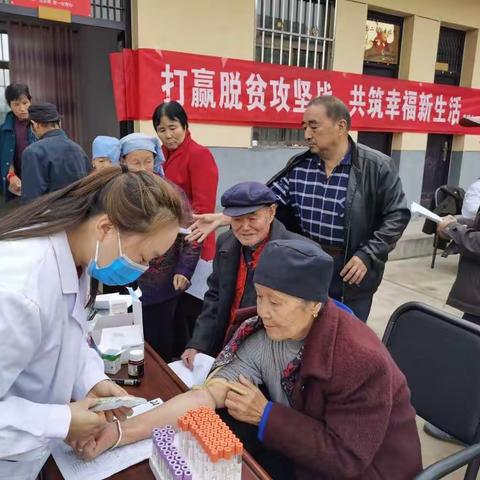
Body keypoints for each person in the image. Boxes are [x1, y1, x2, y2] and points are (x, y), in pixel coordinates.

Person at [77, 239, 422, 480]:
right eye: (262, 298)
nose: (264, 313)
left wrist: (266, 414)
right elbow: (204, 397)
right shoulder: (261, 334)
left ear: (315, 305)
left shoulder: (359, 361)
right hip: (302, 451)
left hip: (369, 469)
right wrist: (119, 432)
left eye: (277, 302)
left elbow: (347, 459)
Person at [0, 166, 186, 478]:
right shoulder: (18, 292)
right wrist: (62, 420)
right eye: (143, 256)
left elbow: (69, 338)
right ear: (105, 228)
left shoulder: (78, 256)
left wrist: (93, 381)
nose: (143, 268)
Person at [267, 95, 410, 322]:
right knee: (306, 334)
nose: (306, 135)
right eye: (304, 127)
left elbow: (397, 215)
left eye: (314, 126)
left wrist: (368, 254)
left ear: (341, 126)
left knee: (344, 337)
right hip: (307, 265)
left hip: (351, 272)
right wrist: (226, 217)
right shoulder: (299, 166)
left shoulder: (376, 166)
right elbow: (267, 202)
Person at [181, 181, 306, 368]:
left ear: (271, 213)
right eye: (238, 219)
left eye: (253, 218)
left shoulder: (298, 255)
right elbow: (214, 297)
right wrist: (198, 344)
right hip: (225, 345)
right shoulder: (226, 242)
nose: (245, 227)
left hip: (267, 358)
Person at [153, 101, 218, 347]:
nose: (168, 135)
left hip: (195, 244)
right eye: (161, 129)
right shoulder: (158, 157)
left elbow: (202, 210)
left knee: (193, 310)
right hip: (169, 245)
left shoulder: (199, 155)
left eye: (173, 127)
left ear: (185, 125)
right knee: (173, 311)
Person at [21, 102, 90, 203]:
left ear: (35, 125)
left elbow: (31, 200)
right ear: (60, 123)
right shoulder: (78, 149)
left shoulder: (33, 152)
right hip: (80, 214)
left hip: (51, 217)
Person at [0, 84, 36, 201]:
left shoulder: (41, 123)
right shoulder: (4, 130)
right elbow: (5, 156)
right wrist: (11, 175)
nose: (21, 108)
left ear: (30, 101)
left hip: (39, 179)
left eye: (25, 103)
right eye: (16, 104)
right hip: (17, 184)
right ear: (9, 105)